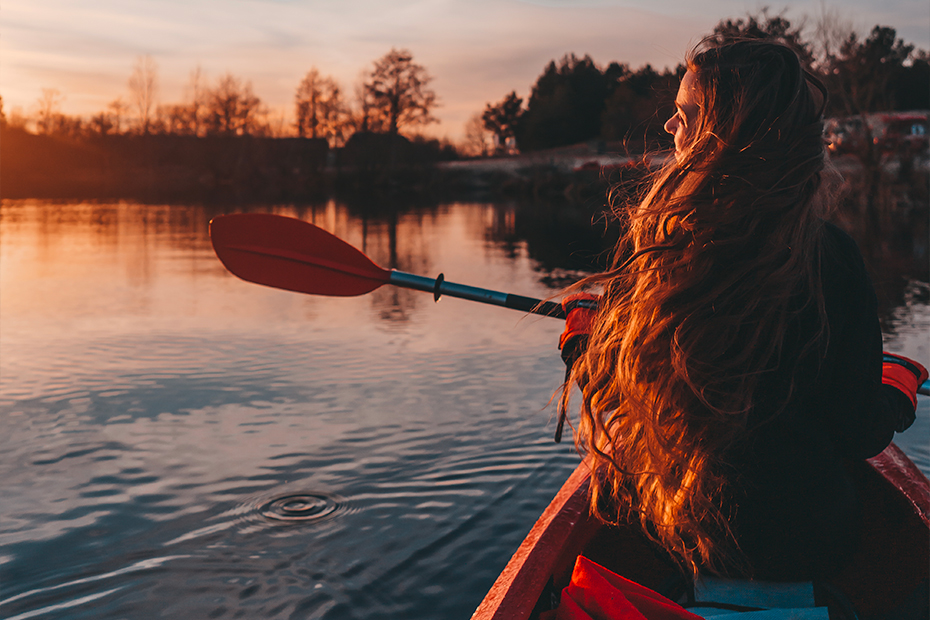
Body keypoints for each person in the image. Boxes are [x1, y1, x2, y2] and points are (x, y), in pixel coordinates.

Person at [557, 38, 927, 581]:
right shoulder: (831, 254)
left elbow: (616, 390)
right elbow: (860, 432)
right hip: (804, 547)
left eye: (683, 116)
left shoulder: (662, 255)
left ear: (721, 136)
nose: (669, 129)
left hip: (674, 540)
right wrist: (894, 394)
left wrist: (582, 335)